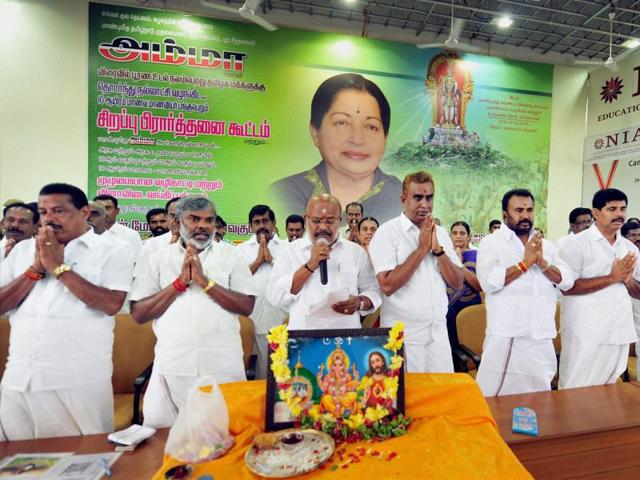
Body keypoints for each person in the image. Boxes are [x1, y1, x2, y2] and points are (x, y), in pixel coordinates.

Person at [0, 183, 133, 440]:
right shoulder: (23, 251)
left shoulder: (113, 250)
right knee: (16, 463)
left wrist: (59, 268)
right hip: (21, 375)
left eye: (59, 210)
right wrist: (35, 270)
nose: (49, 218)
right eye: (43, 211)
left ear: (84, 212)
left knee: (85, 460)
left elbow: (111, 304)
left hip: (79, 380)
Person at [130, 196, 256, 428]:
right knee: (163, 436)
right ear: (177, 223)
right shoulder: (157, 258)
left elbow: (246, 306)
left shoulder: (231, 255)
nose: (202, 225)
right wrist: (179, 284)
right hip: (172, 365)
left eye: (209, 220)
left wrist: (204, 282)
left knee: (226, 435)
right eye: (194, 219)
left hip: (222, 364)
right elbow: (139, 313)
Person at [475, 189, 573, 396]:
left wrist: (542, 263)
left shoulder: (546, 246)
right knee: (492, 399)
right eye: (519, 210)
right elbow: (488, 282)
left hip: (541, 338)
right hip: (508, 338)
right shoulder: (491, 243)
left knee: (540, 400)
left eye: (529, 210)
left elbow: (567, 280)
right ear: (504, 214)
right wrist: (525, 264)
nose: (525, 216)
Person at [269, 73, 402, 224]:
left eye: (371, 126)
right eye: (342, 123)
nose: (357, 139)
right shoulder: (283, 193)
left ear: (385, 137)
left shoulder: (404, 199)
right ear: (315, 132)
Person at [369, 171, 463, 373]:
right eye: (417, 197)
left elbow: (458, 283)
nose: (425, 204)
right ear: (404, 199)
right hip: (404, 336)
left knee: (440, 396)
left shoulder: (442, 233)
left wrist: (438, 251)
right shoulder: (387, 233)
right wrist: (421, 250)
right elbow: (387, 285)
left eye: (429, 198)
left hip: (437, 334)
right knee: (408, 400)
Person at [559, 188, 640, 389]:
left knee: (608, 392)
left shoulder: (629, 248)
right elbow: (567, 288)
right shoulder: (576, 245)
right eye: (611, 209)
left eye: (622, 209)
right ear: (595, 212)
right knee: (576, 389)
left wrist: (628, 280)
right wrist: (613, 277)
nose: (619, 214)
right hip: (586, 332)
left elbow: (636, 292)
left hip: (618, 330)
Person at [267, 194, 381, 330]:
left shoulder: (355, 252)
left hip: (346, 339)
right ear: (306, 219)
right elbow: (275, 296)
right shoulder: (290, 251)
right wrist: (310, 265)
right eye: (316, 221)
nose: (322, 227)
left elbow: (373, 291)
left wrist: (360, 302)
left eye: (329, 221)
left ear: (339, 220)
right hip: (304, 340)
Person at [236, 205, 287, 379]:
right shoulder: (240, 250)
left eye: (265, 221)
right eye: (256, 222)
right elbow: (236, 282)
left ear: (274, 223)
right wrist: (258, 261)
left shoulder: (289, 248)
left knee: (283, 373)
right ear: (250, 226)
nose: (261, 226)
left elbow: (293, 278)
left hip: (283, 319)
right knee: (257, 373)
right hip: (253, 322)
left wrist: (272, 260)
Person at [446, 221, 482, 359]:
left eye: (462, 233)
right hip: (448, 310)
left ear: (469, 237)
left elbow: (479, 286)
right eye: (454, 233)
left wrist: (459, 264)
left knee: (470, 351)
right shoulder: (443, 256)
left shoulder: (477, 255)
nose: (458, 236)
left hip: (470, 309)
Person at [93, 194, 143, 260]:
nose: (103, 212)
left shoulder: (131, 235)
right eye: (99, 208)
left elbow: (137, 262)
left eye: (108, 208)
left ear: (117, 211)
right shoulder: (86, 233)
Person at [317, 347, 359, 416]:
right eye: (335, 365)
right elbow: (323, 389)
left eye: (340, 365)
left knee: (353, 395)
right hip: (332, 400)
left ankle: (342, 411)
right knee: (325, 398)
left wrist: (356, 377)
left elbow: (352, 388)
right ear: (331, 367)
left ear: (344, 366)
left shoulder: (347, 376)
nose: (337, 367)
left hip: (343, 400)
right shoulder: (328, 377)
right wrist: (319, 379)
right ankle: (337, 412)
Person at [622, 220, 640, 379]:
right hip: (626, 309)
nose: (637, 238)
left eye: (639, 234)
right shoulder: (623, 255)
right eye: (633, 235)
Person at [138, 197, 181, 263]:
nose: (177, 220)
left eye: (182, 215)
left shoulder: (200, 243)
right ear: (167, 217)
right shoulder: (151, 245)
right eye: (173, 215)